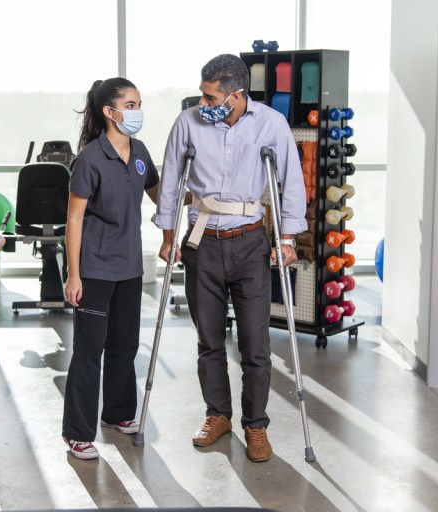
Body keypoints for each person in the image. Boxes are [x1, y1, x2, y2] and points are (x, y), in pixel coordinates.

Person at [153, 54, 307, 462]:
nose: (202, 104)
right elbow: (170, 180)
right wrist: (169, 235)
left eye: (210, 97)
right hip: (202, 241)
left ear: (236, 95)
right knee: (209, 340)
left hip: (250, 243)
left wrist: (287, 238)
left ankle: (255, 426)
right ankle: (217, 414)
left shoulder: (271, 124)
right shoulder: (188, 122)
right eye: (202, 96)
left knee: (256, 344)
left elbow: (290, 181)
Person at [62, 78, 159, 460]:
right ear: (110, 111)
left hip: (129, 268)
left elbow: (159, 192)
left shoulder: (139, 152)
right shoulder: (89, 158)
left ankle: (118, 413)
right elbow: (73, 221)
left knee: (124, 345)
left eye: (138, 104)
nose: (137, 112)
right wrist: (73, 274)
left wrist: (201, 191)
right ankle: (77, 432)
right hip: (95, 269)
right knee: (89, 351)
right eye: (131, 105)